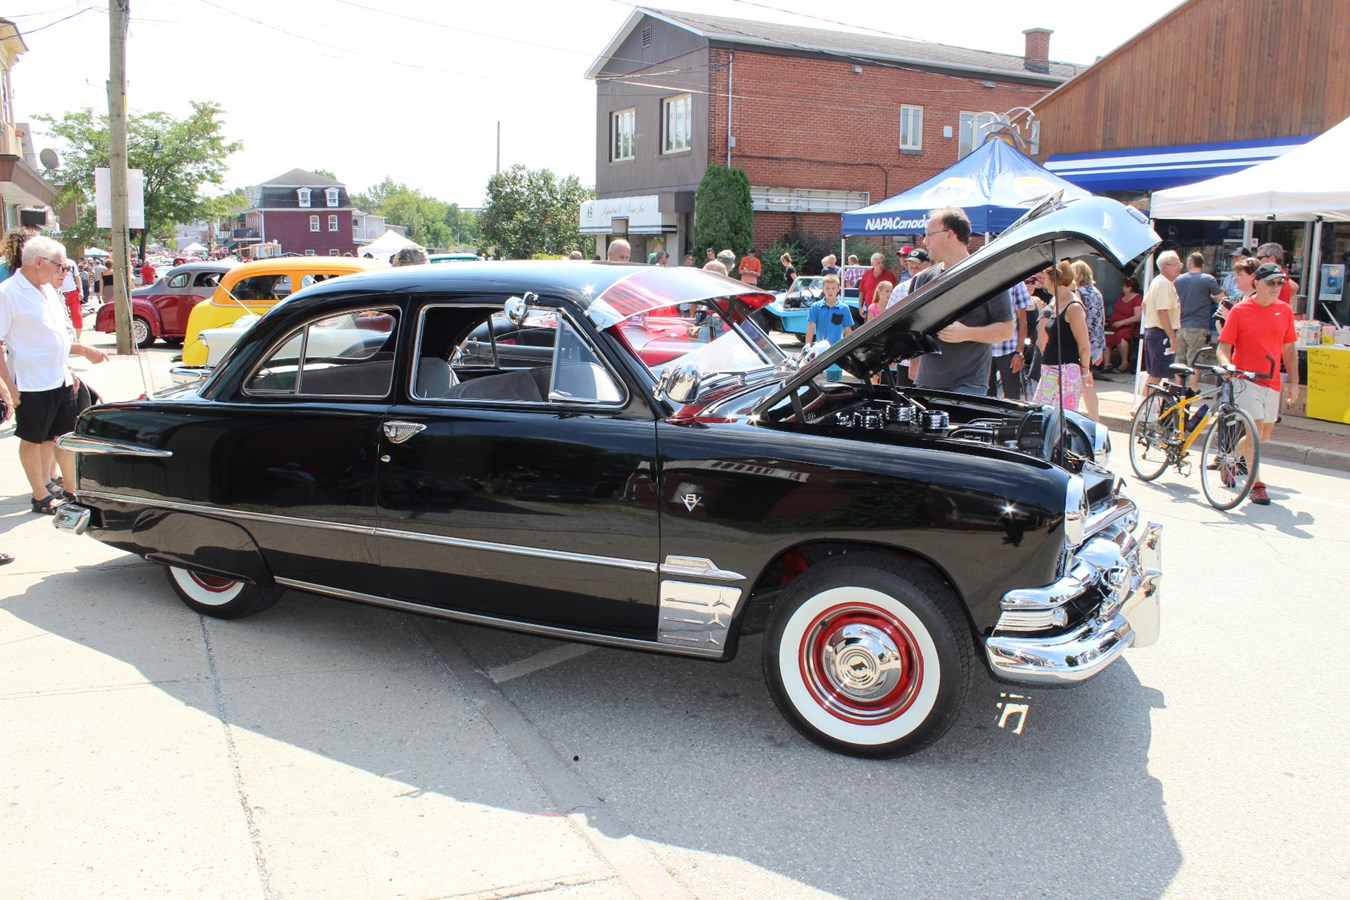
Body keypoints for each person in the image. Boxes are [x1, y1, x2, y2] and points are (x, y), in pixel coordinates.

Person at [0, 236, 109, 515]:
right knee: (33, 440)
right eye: (59, 265)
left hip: (59, 378)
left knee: (64, 437)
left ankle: (71, 491)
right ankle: (40, 496)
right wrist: (9, 388)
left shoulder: (47, 290)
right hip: (31, 381)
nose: (63, 271)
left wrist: (73, 362)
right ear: (39, 262)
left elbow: (53, 338)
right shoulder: (8, 293)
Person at [1216, 262, 1299, 506]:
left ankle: (1230, 457)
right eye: (1271, 283)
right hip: (1246, 379)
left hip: (1271, 381)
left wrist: (1294, 382)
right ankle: (1257, 485)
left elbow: (1289, 348)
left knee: (1264, 434)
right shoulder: (1241, 310)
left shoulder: (1284, 311)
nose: (1276, 288)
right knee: (1255, 428)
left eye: (1279, 283)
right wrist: (1226, 365)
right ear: (1257, 283)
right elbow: (1224, 346)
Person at [909, 207, 1014, 395]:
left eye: (929, 234)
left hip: (968, 386)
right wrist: (913, 362)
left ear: (950, 234)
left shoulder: (989, 276)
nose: (925, 242)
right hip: (925, 382)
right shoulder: (921, 280)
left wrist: (966, 333)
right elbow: (912, 328)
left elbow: (1006, 330)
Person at [1031, 261, 1093, 412]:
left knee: (1058, 420)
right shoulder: (1058, 303)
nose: (1043, 282)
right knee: (1043, 417)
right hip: (1051, 369)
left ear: (1054, 280)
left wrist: (1085, 372)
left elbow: (1084, 346)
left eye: (1045, 278)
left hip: (1065, 371)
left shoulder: (1074, 307)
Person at [1172, 251, 1223, 389]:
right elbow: (1221, 299)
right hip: (1198, 325)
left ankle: (1179, 388)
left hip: (1180, 325)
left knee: (1179, 359)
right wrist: (1210, 297)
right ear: (1202, 264)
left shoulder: (1179, 280)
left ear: (1190, 263)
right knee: (1194, 359)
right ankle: (1194, 389)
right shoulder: (1208, 279)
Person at [1141, 249, 1182, 389]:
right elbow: (1162, 311)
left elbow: (1144, 305)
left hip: (1154, 331)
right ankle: (1144, 407)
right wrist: (1172, 336)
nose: (1179, 267)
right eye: (1176, 264)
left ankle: (1144, 406)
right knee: (1156, 375)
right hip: (1160, 333)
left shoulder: (1157, 281)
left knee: (1155, 374)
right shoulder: (1163, 284)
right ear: (1165, 266)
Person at [1071, 260, 1105, 420]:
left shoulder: (1079, 293)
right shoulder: (1097, 292)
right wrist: (1101, 346)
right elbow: (1101, 319)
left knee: (1081, 382)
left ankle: (1081, 417)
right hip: (1095, 342)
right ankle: (1095, 417)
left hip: (1082, 341)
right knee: (1088, 382)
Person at [988, 278, 1033, 399]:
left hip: (1009, 349)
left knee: (1012, 398)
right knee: (985, 399)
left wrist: (1019, 352)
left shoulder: (1016, 283)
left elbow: (1023, 321)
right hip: (985, 349)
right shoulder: (984, 280)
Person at [803, 273, 853, 382]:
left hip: (836, 353)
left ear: (838, 289)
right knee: (818, 384)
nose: (830, 291)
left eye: (833, 288)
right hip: (819, 352)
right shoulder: (815, 307)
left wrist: (850, 350)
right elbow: (811, 327)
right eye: (827, 288)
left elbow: (848, 331)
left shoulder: (844, 308)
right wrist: (807, 345)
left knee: (834, 384)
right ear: (823, 289)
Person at [1104, 276, 1143, 372]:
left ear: (1130, 288)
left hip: (1128, 326)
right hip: (1114, 325)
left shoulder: (1137, 299)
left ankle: (1124, 362)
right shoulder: (1121, 296)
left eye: (1124, 286)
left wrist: (1122, 322)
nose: (1123, 288)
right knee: (1104, 337)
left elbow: (1138, 317)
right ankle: (1107, 364)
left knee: (1120, 337)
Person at [1215, 256, 1258, 330]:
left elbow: (1252, 331)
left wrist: (1230, 317)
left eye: (1239, 274)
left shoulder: (1259, 300)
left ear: (1253, 276)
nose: (1235, 278)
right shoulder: (1239, 298)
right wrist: (1220, 320)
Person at [857, 252, 897, 324]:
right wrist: (860, 308)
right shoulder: (866, 274)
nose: (881, 265)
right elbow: (862, 292)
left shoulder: (890, 275)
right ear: (872, 264)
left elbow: (895, 293)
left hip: (885, 311)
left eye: (882, 262)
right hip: (869, 311)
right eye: (878, 263)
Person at [60, 259, 83, 341]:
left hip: (73, 291)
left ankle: (78, 339)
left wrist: (81, 291)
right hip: (60, 292)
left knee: (77, 314)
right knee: (61, 316)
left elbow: (77, 277)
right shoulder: (53, 262)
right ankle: (64, 337)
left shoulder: (71, 263)